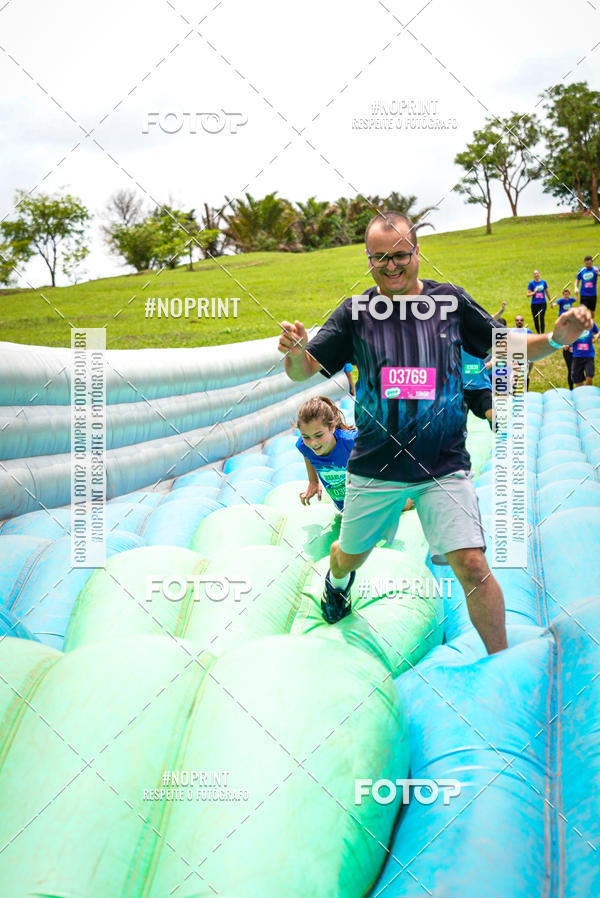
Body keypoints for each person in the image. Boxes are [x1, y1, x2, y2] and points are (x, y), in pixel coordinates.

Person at [278, 210, 593, 655]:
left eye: (400, 255)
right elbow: (303, 369)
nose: (391, 266)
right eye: (380, 257)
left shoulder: (449, 303)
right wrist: (295, 352)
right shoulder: (355, 314)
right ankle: (338, 580)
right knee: (350, 555)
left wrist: (556, 340)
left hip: (443, 464)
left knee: (471, 564)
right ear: (368, 259)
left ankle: (502, 661)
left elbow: (506, 345)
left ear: (417, 252)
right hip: (375, 465)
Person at [296, 396, 357, 512]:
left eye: (319, 435)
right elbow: (306, 453)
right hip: (344, 507)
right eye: (306, 437)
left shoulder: (350, 442)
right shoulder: (304, 446)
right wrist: (313, 481)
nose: (313, 443)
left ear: (332, 427)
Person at [551, 290, 575, 389]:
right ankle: (571, 388)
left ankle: (580, 388)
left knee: (577, 370)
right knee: (571, 370)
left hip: (577, 351)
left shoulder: (576, 325)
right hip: (567, 350)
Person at [571, 322, 600, 387]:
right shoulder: (573, 324)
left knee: (589, 377)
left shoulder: (591, 323)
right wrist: (566, 344)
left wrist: (597, 335)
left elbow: (598, 332)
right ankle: (582, 392)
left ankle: (587, 391)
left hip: (589, 356)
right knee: (577, 379)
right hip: (577, 356)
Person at [511, 315, 533, 390]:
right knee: (514, 376)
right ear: (515, 322)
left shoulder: (528, 331)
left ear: (523, 322)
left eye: (521, 320)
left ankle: (526, 393)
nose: (519, 322)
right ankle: (513, 393)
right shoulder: (511, 331)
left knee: (525, 376)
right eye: (517, 320)